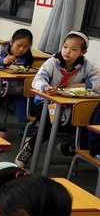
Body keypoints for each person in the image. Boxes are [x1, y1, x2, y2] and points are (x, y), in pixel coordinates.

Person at [16, 31, 100, 166]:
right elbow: (37, 80)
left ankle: (71, 145)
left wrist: (85, 84)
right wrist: (45, 87)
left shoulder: (85, 65)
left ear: (83, 52)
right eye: (65, 47)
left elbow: (98, 82)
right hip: (44, 103)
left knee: (88, 114)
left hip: (69, 106)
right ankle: (30, 146)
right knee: (51, 118)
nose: (67, 52)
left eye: (74, 50)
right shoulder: (53, 62)